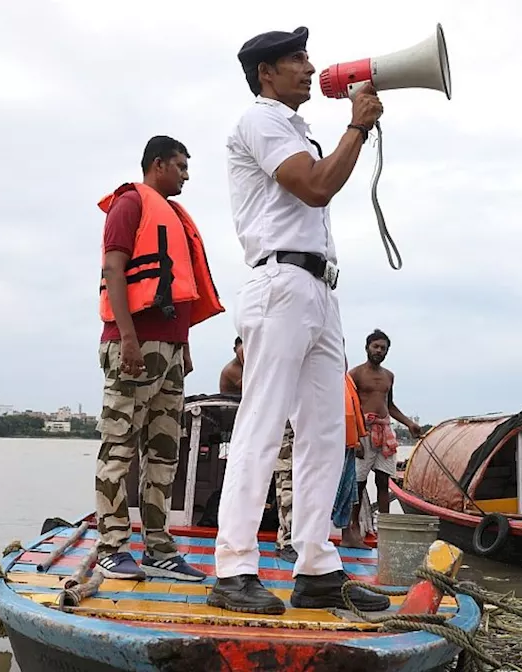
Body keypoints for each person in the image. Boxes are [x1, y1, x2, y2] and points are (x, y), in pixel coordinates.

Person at [210, 26, 390, 616]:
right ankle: (234, 567)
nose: (310, 68)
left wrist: (351, 132)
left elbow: (318, 183)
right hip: (281, 283)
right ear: (266, 72)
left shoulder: (297, 130)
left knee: (322, 435)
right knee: (262, 424)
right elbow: (315, 188)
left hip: (316, 288)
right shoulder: (259, 120)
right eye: (297, 59)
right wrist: (358, 127)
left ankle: (316, 567)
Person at [93, 135, 225, 581]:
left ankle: (159, 547)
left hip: (169, 349)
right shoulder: (130, 204)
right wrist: (128, 337)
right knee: (120, 446)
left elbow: (179, 290)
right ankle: (111, 546)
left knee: (165, 452)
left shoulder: (174, 215)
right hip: (133, 344)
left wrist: (183, 345)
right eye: (181, 166)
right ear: (158, 164)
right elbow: (114, 268)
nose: (186, 175)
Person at [218, 337, 299, 564]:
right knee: (251, 484)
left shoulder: (267, 362)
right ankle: (241, 540)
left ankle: (287, 539)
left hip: (278, 426)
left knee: (287, 482)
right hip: (253, 432)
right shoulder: (232, 371)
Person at [345, 329, 422, 548]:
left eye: (383, 348)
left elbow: (389, 405)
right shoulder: (355, 374)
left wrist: (409, 424)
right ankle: (354, 531)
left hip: (384, 432)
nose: (379, 351)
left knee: (382, 480)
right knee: (358, 484)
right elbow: (349, 405)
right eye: (375, 346)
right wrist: (355, 437)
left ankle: (385, 532)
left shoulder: (389, 376)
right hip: (363, 432)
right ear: (367, 347)